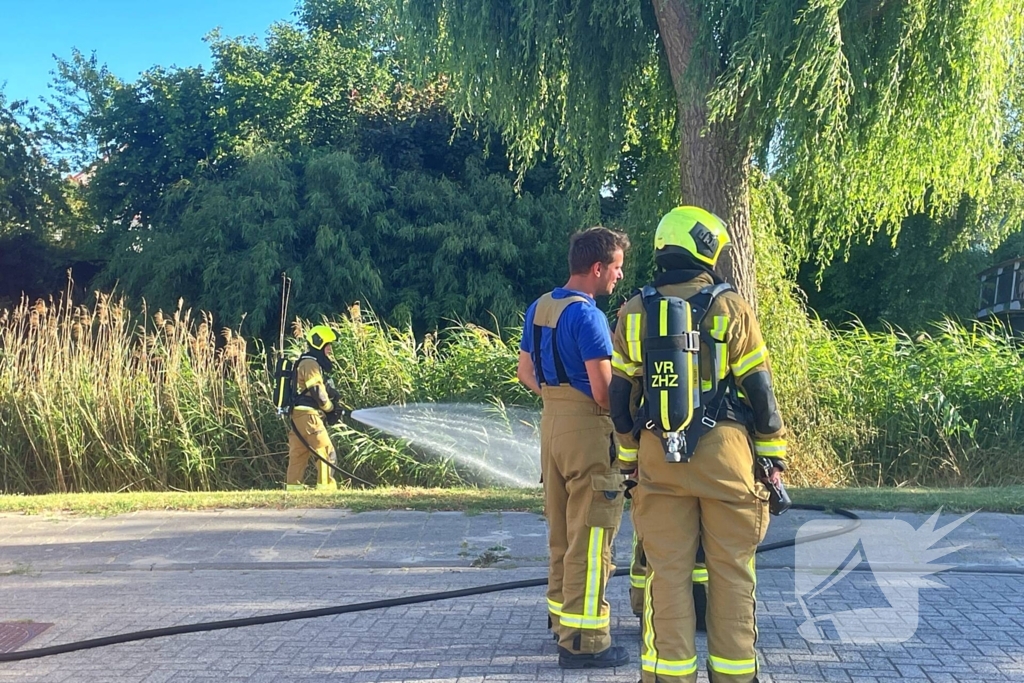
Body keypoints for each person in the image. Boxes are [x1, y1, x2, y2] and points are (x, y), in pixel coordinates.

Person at [609, 206, 787, 683]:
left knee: (666, 577)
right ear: (706, 249)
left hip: (658, 460)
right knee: (731, 574)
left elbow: (621, 398)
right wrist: (772, 454)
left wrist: (630, 459)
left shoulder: (633, 311)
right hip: (725, 459)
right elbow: (760, 391)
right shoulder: (731, 308)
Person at [516, 226, 632, 669]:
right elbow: (604, 393)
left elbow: (525, 371)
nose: (619, 277)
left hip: (552, 426)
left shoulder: (541, 305)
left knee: (562, 533)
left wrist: (556, 395)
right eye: (617, 268)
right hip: (587, 432)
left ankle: (561, 621)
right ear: (598, 267)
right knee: (592, 535)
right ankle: (585, 642)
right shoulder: (589, 317)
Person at [285, 324, 342, 490]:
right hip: (309, 417)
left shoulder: (304, 361)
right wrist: (330, 408)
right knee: (326, 452)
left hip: (297, 417)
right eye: (328, 345)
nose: (330, 350)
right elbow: (317, 390)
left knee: (298, 455)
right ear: (319, 344)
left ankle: (293, 491)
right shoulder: (310, 363)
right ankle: (326, 489)